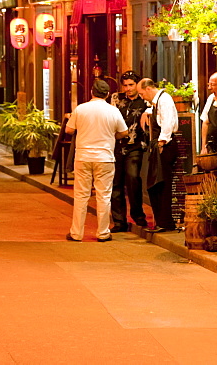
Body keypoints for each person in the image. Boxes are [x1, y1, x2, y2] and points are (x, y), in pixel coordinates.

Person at [65, 79, 128, 242]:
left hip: (83, 157)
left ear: (92, 92)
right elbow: (124, 132)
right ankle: (103, 232)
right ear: (107, 94)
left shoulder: (81, 109)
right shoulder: (113, 111)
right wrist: (111, 135)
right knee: (104, 196)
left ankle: (76, 233)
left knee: (81, 196)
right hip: (105, 158)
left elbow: (69, 130)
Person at [109, 71, 149, 232]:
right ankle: (119, 221)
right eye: (125, 85)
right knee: (115, 183)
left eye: (131, 85)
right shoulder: (116, 98)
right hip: (115, 145)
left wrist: (149, 112)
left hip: (135, 146)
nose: (128, 88)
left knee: (133, 179)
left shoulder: (144, 101)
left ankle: (138, 215)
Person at [138, 77, 179, 233]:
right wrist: (146, 111)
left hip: (164, 145)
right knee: (155, 185)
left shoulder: (165, 99)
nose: (142, 97)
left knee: (161, 185)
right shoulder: (157, 101)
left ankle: (166, 223)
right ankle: (162, 221)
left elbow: (168, 122)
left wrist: (162, 142)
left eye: (142, 93)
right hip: (160, 145)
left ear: (149, 89)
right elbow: (152, 109)